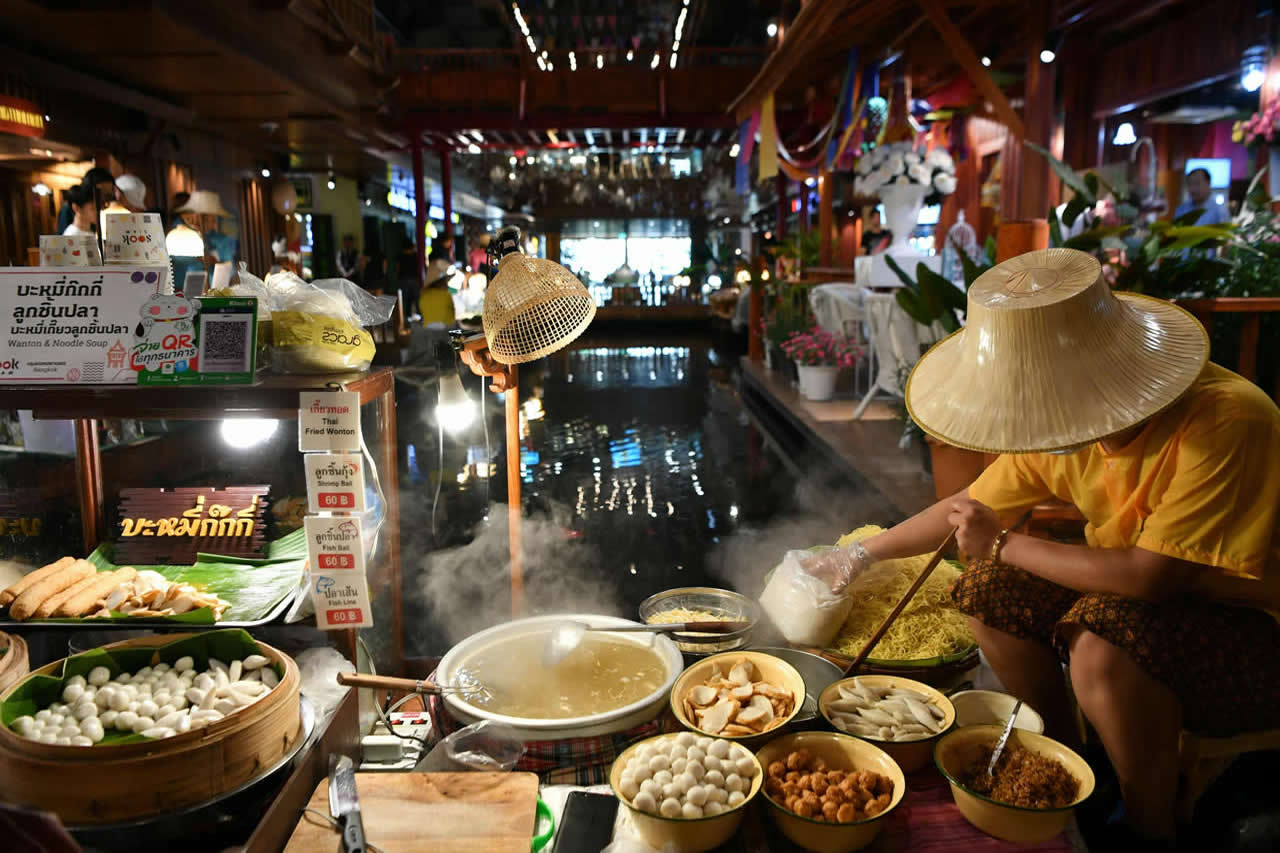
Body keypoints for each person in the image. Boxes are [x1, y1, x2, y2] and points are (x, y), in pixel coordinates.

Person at [802, 249, 1279, 849]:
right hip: (1134, 597)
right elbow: (963, 510)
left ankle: (1147, 825)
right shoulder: (1070, 418)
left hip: (1250, 630)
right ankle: (1072, 762)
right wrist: (864, 554)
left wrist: (1002, 544)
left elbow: (1150, 579)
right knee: (982, 589)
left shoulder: (1229, 419)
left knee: (1099, 644)